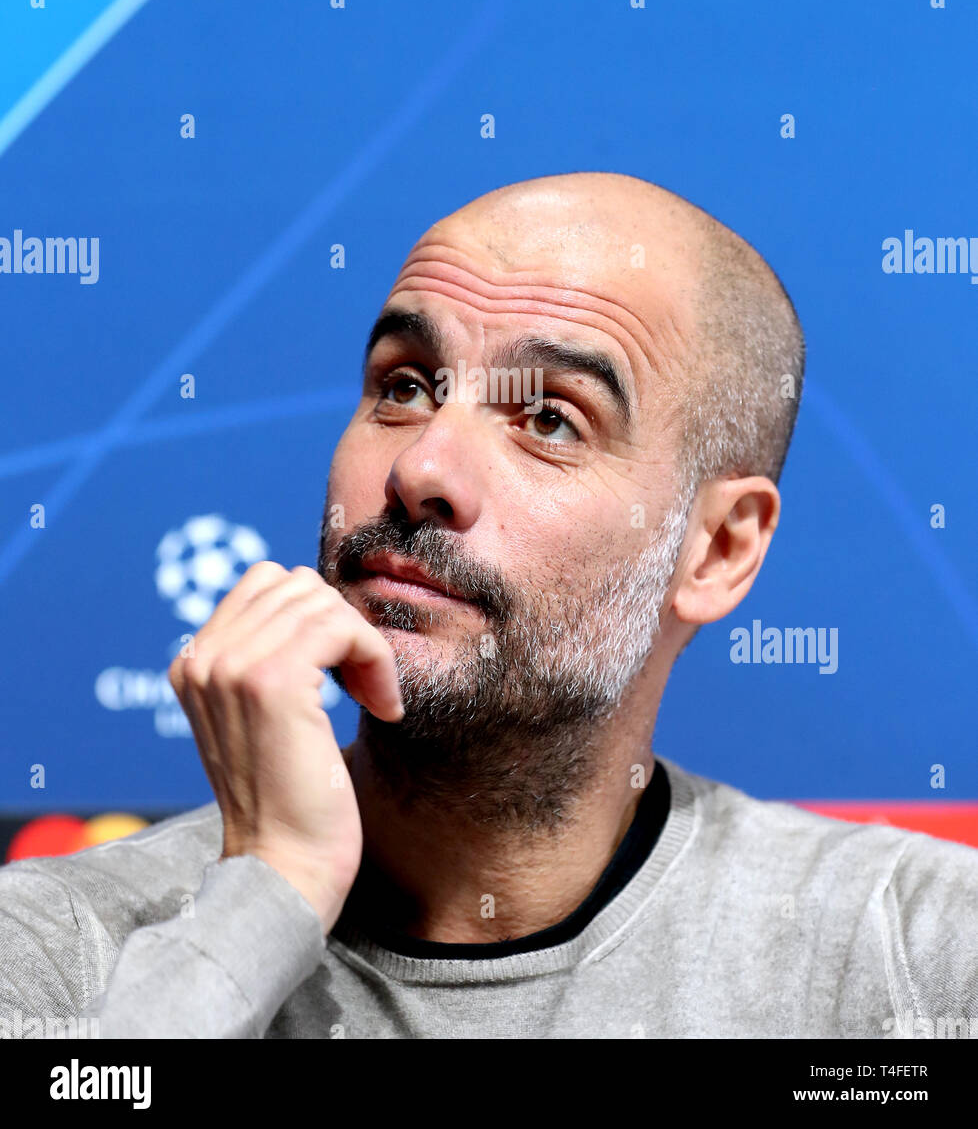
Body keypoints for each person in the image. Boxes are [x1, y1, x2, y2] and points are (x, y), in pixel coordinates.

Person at [1, 172, 975, 1040]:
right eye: (406, 386)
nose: (422, 467)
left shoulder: (920, 959)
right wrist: (265, 897)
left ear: (716, 550)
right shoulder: (56, 949)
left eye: (549, 417)